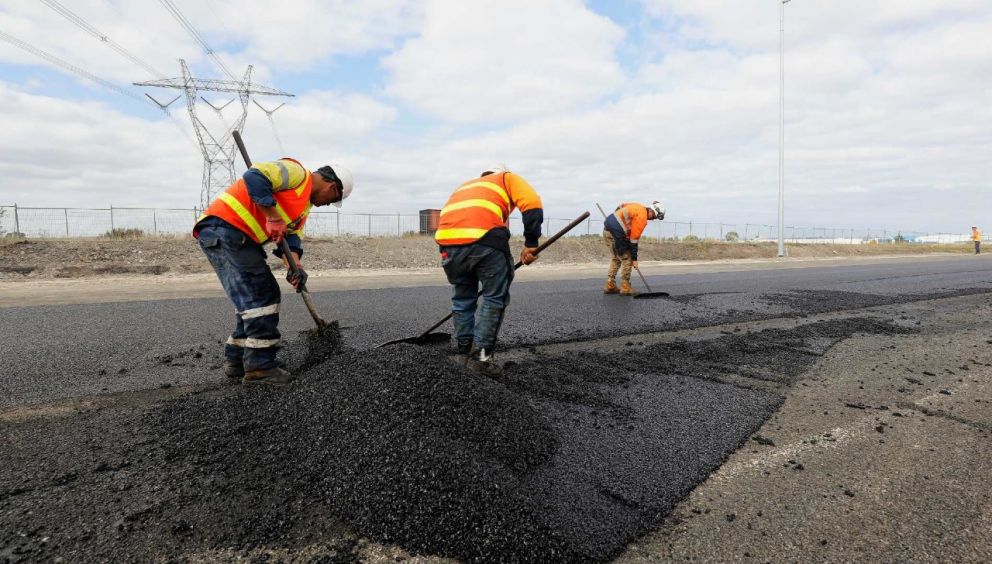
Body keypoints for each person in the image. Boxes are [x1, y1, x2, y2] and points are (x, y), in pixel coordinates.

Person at [193, 158, 354, 385]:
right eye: (332, 201)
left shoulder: (302, 207)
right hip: (225, 228)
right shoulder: (296, 173)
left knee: (251, 299)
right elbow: (254, 176)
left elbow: (290, 240)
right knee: (262, 295)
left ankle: (238, 359)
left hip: (237, 236)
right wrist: (272, 215)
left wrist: (295, 267)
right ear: (332, 187)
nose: (326, 205)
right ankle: (259, 367)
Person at [435, 165, 543, 377]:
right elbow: (532, 204)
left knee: (462, 300)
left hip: (448, 246)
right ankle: (481, 359)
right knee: (494, 299)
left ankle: (463, 354)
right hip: (484, 241)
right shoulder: (506, 178)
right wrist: (531, 244)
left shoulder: (468, 186)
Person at [603, 201, 665, 295]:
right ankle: (625, 287)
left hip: (607, 230)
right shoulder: (642, 218)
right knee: (627, 258)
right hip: (617, 233)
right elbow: (634, 240)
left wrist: (615, 219)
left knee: (616, 258)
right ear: (652, 211)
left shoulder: (637, 206)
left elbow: (621, 206)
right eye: (655, 217)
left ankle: (610, 285)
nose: (653, 219)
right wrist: (634, 259)